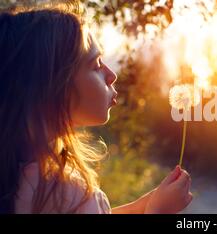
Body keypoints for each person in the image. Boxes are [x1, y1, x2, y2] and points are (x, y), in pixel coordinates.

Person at [0, 4, 192, 214]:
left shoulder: (19, 178)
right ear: (55, 86)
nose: (111, 75)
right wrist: (159, 211)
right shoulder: (68, 192)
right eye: (96, 64)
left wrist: (141, 207)